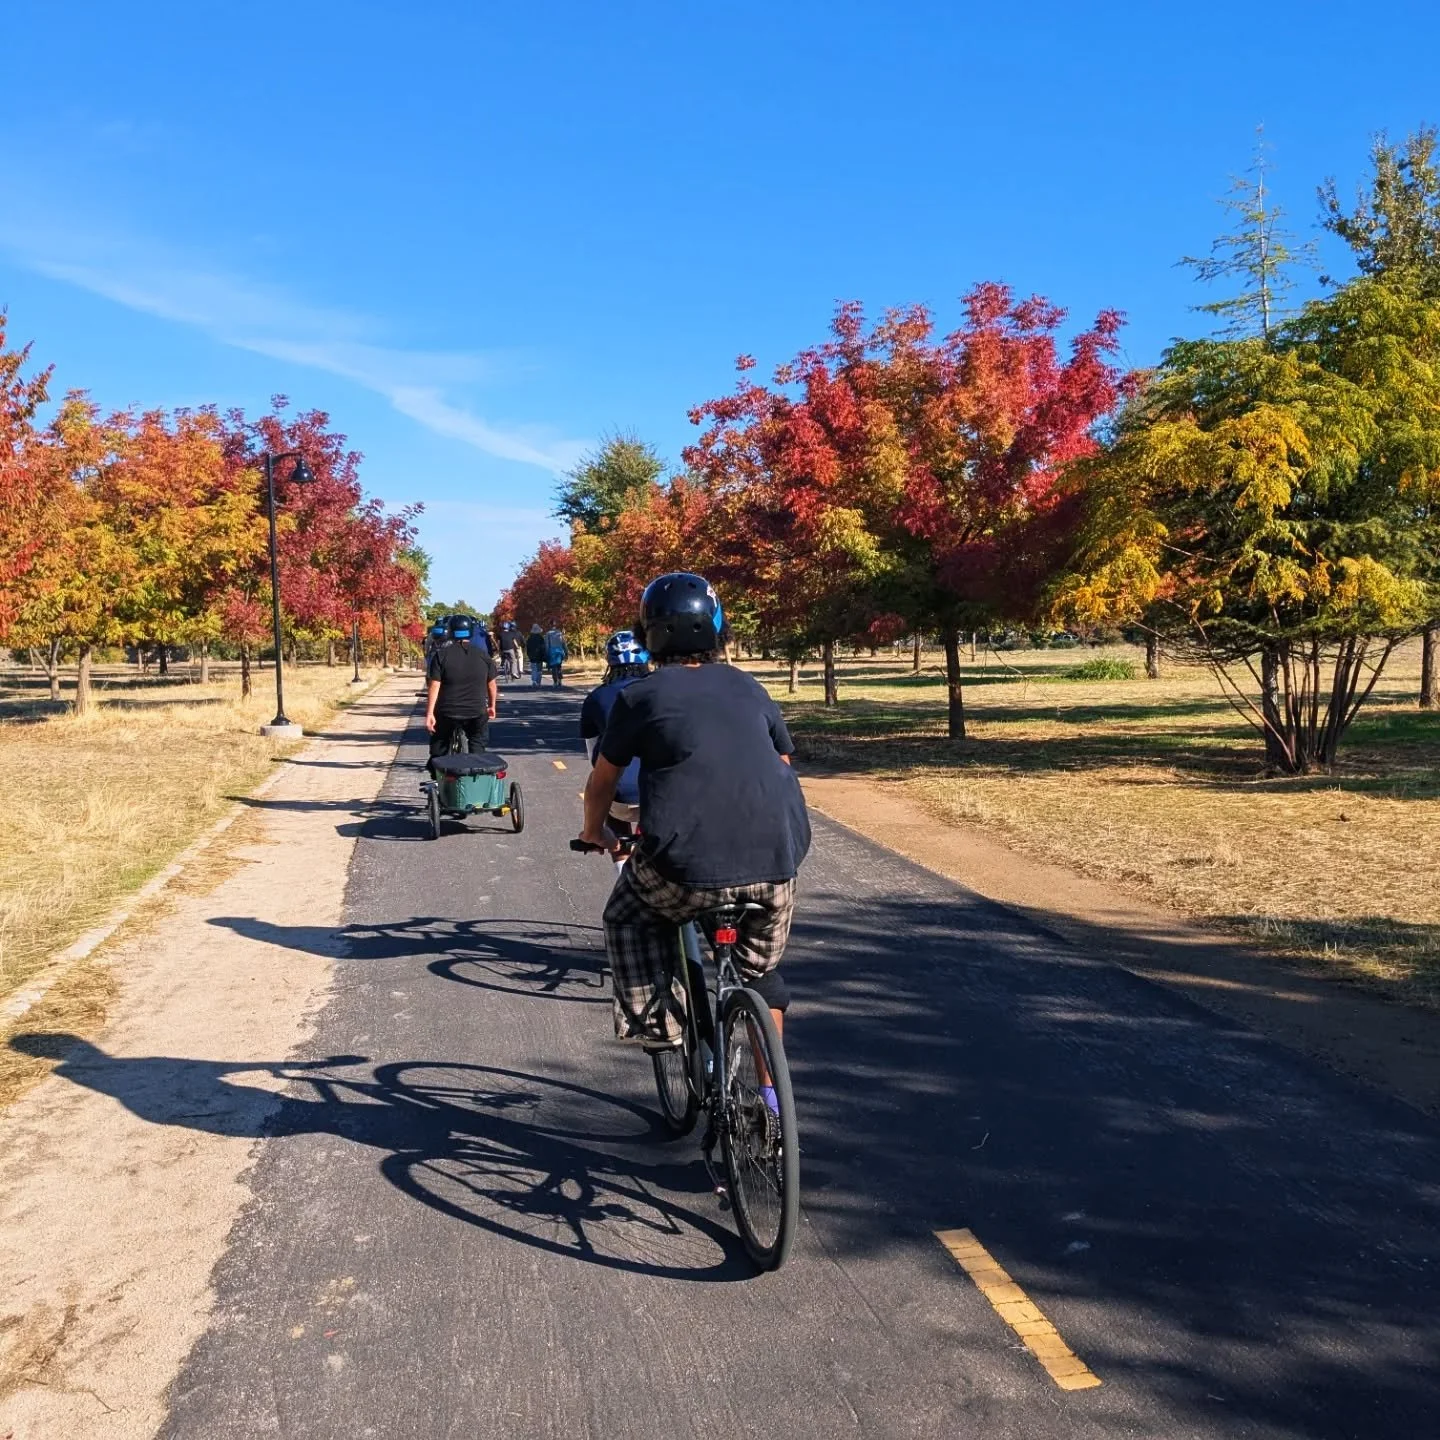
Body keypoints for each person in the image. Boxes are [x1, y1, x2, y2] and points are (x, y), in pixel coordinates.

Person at [578, 573, 811, 1089]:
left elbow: (602, 782)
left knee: (626, 915)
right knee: (761, 976)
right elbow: (783, 759)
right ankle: (773, 1105)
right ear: (716, 627)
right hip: (777, 863)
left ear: (649, 635)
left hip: (683, 871)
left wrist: (596, 831)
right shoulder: (749, 686)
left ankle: (660, 1027)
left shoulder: (639, 697)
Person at [579, 631, 650, 864]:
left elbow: (594, 757)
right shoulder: (661, 691)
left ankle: (618, 861)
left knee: (605, 789)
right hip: (660, 792)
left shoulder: (596, 698)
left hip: (621, 797)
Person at [425, 615, 498, 756]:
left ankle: (438, 772)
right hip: (476, 712)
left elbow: (435, 685)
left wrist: (430, 713)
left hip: (447, 712)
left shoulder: (441, 655)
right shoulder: (483, 656)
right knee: (478, 742)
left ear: (450, 632)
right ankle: (477, 768)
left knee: (439, 744)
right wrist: (492, 706)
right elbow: (492, 685)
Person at [525, 624, 546, 688]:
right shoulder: (541, 638)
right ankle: (538, 682)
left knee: (534, 669)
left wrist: (528, 654)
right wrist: (543, 654)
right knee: (539, 670)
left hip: (532, 655)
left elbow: (528, 647)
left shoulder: (529, 638)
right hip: (539, 655)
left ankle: (534, 681)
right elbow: (543, 647)